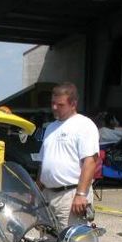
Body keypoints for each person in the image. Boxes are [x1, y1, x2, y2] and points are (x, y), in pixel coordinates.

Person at [37, 82, 99, 226]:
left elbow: (90, 162)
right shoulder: (50, 128)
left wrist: (81, 194)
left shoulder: (84, 125)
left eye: (60, 105)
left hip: (70, 196)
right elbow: (43, 163)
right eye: (53, 103)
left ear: (73, 104)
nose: (54, 108)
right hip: (47, 196)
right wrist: (37, 190)